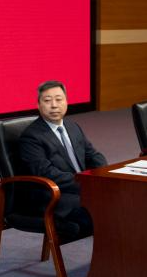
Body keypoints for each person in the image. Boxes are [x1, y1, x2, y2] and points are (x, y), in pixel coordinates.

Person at [18, 80, 106, 234]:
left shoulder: (72, 127)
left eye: (59, 99)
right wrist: (85, 184)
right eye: (47, 100)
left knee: (120, 199)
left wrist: (103, 176)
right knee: (102, 210)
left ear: (66, 102)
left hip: (80, 187)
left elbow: (93, 155)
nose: (54, 105)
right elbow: (46, 172)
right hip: (55, 195)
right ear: (38, 105)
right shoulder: (31, 136)